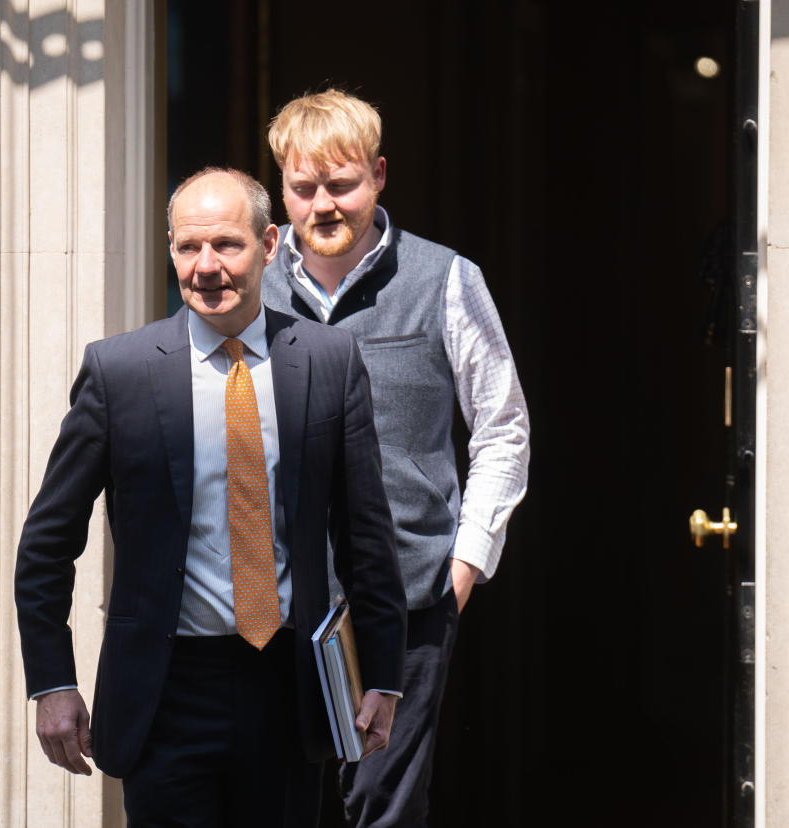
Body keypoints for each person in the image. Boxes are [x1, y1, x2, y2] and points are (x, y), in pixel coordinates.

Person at [14, 167, 407, 827]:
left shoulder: (329, 361)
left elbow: (366, 535)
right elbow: (47, 544)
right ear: (170, 250)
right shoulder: (120, 372)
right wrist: (53, 682)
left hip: (288, 688)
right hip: (164, 691)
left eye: (227, 245)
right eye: (188, 247)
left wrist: (385, 677)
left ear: (270, 244)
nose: (205, 266)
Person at [262, 90, 531, 827]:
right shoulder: (249, 285)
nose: (323, 204)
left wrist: (464, 568)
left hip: (407, 599)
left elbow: (503, 427)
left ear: (378, 176)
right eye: (304, 187)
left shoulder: (445, 279)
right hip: (271, 602)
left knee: (384, 809)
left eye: (341, 184)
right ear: (282, 187)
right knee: (271, 799)